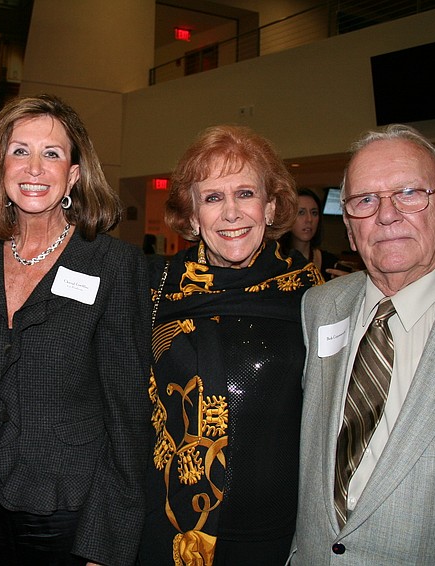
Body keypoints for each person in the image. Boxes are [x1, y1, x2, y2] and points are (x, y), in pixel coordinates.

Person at [0, 94, 151, 566]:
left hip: (70, 514)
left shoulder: (112, 264)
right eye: (19, 151)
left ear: (73, 174)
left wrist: (108, 545)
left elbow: (129, 416)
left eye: (52, 154)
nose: (34, 168)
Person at [290, 124, 435, 564]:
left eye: (409, 192)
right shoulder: (320, 306)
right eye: (365, 200)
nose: (386, 215)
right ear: (350, 228)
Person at [138, 125, 323, 565]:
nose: (232, 213)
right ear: (193, 215)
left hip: (276, 529)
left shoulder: (313, 295)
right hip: (168, 526)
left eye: (245, 193)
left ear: (271, 205)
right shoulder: (153, 287)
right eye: (213, 197)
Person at [280, 188, 347, 280]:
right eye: (301, 212)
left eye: (314, 213)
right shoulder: (274, 260)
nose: (309, 219)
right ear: (287, 217)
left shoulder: (331, 263)